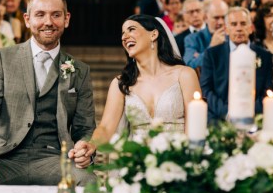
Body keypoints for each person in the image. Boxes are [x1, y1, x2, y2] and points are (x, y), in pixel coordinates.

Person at [0, 0, 96, 186]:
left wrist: (84, 146)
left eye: (56, 15)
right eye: (40, 14)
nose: (48, 22)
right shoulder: (3, 58)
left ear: (66, 19)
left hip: (55, 159)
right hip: (6, 157)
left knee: (88, 181)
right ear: (27, 19)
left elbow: (85, 127)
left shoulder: (79, 70)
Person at [84, 15, 200, 146]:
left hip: (176, 159)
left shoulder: (184, 75)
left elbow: (195, 129)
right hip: (138, 161)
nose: (124, 37)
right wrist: (91, 144)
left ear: (153, 34)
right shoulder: (121, 83)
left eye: (131, 29)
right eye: (123, 33)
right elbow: (105, 128)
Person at [200, 7, 273, 121]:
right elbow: (206, 89)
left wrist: (249, 113)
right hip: (219, 116)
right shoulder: (212, 54)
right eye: (234, 24)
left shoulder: (264, 56)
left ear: (251, 28)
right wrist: (227, 112)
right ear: (226, 29)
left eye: (243, 24)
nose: (239, 28)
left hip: (255, 116)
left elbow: (266, 90)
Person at [183, 0, 228, 69]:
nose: (221, 22)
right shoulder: (192, 39)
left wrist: (200, 56)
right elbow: (189, 66)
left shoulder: (233, 36)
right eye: (216, 18)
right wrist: (211, 47)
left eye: (224, 17)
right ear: (206, 18)